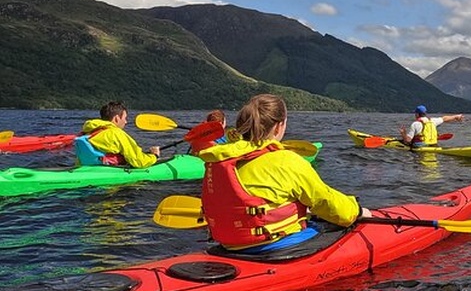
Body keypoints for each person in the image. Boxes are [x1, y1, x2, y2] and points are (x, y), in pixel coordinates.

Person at [197, 94, 371, 252]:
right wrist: (356, 211)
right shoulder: (286, 160)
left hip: (229, 245)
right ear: (279, 127)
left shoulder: (219, 161)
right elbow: (326, 201)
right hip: (275, 247)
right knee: (336, 226)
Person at [76, 101, 160, 168]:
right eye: (124, 118)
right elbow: (139, 161)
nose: (126, 122)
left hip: (85, 168)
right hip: (108, 173)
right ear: (116, 118)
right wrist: (154, 156)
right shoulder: (116, 133)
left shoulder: (87, 133)